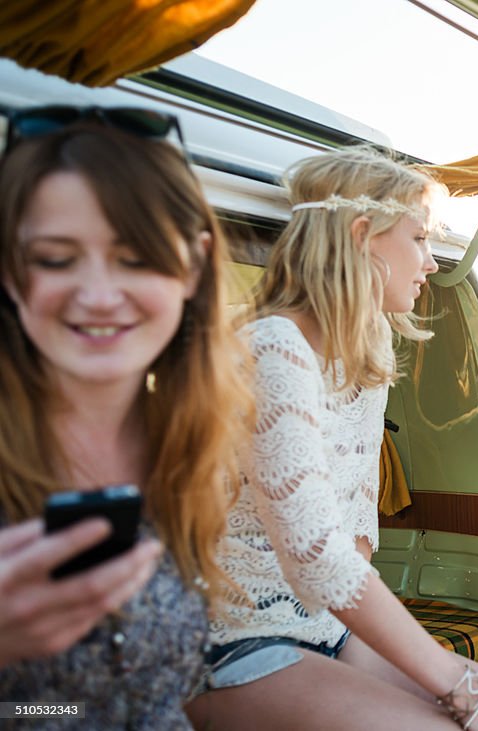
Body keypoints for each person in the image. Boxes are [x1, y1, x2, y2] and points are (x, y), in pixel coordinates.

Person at [187, 147, 478, 731]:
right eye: (420, 239)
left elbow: (358, 537)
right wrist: (463, 688)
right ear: (363, 234)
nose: (430, 262)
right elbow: (319, 559)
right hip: (237, 639)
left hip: (328, 631)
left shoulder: (363, 364)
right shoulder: (273, 347)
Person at [0, 108, 252, 727]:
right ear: (10, 271)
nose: (98, 295)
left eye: (136, 258)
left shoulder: (189, 445)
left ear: (193, 266)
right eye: (56, 259)